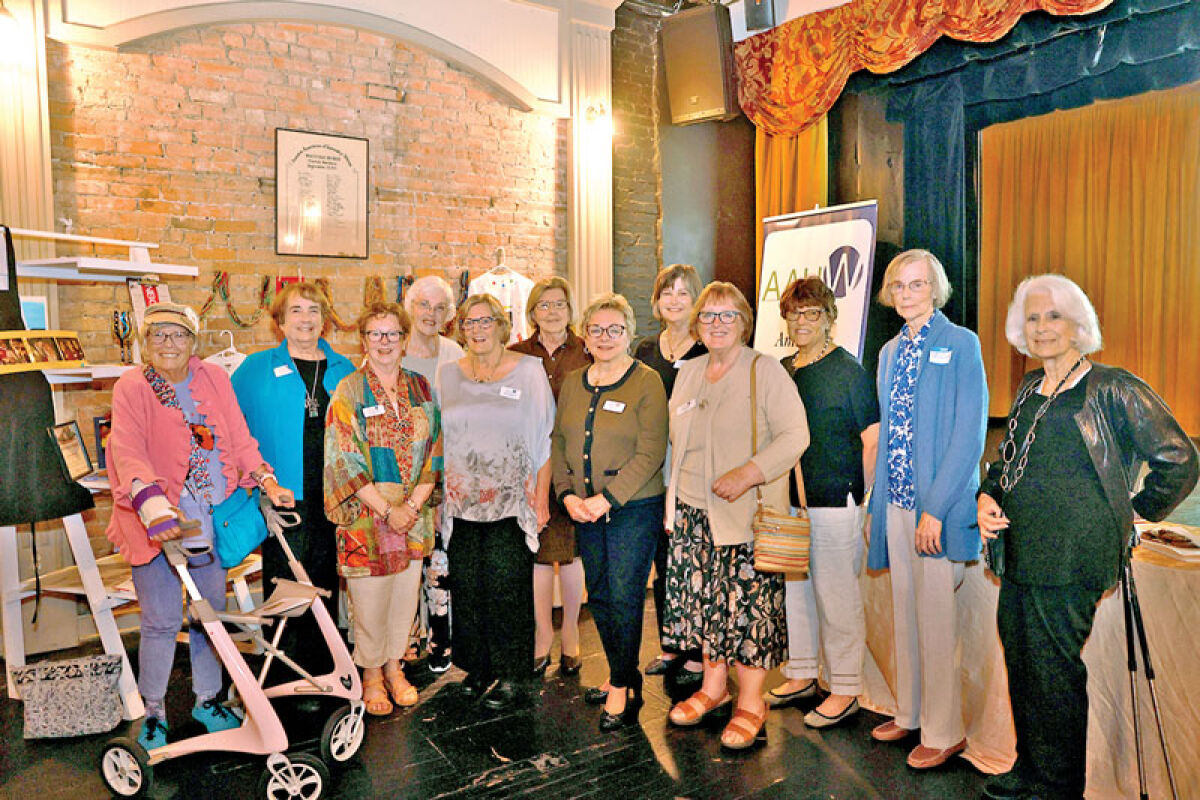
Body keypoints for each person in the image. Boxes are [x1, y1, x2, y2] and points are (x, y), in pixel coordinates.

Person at [977, 274, 1198, 800]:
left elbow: (1181, 459)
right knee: (1023, 662)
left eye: (1054, 316)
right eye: (1032, 318)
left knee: (1053, 675)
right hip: (1021, 551)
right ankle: (1028, 768)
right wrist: (986, 497)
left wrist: (1131, 514)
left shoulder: (1112, 388)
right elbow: (1008, 461)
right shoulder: (1031, 387)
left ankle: (1057, 785)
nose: (1042, 327)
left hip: (1073, 557)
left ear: (1079, 325)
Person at [106, 302, 294, 750]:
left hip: (210, 516)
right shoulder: (132, 386)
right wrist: (156, 509)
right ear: (145, 343)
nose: (169, 344)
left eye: (178, 335)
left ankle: (206, 701)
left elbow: (240, 437)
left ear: (193, 342)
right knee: (158, 621)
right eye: (158, 335)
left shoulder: (212, 377)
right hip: (157, 517)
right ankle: (153, 712)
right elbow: (127, 452)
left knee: (208, 616)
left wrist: (267, 480)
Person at [662, 282, 809, 750]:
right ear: (697, 324)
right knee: (706, 608)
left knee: (747, 609)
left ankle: (750, 702)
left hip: (744, 514)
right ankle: (712, 688)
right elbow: (675, 444)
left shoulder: (763, 371)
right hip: (691, 513)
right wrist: (672, 505)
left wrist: (748, 473)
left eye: (728, 316)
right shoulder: (688, 373)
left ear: (744, 323)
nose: (717, 324)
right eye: (708, 316)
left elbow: (795, 436)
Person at [866, 249, 987, 769]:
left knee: (936, 621)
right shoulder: (890, 351)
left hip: (935, 507)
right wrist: (879, 505)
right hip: (894, 501)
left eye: (918, 285)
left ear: (935, 290)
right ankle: (910, 711)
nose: (908, 293)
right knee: (905, 614)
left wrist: (935, 509)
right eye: (900, 286)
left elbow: (969, 434)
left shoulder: (961, 344)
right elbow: (888, 431)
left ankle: (944, 729)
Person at [766, 277, 879, 728]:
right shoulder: (783, 368)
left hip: (836, 500)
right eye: (794, 314)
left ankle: (846, 687)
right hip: (790, 500)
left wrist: (862, 498)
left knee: (837, 597)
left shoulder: (849, 372)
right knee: (796, 593)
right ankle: (802, 672)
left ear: (830, 318)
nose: (802, 322)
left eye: (812, 313)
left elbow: (871, 441)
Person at [552, 294, 667, 730]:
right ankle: (625, 673)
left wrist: (608, 499)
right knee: (597, 593)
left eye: (614, 329)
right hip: (583, 509)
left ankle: (621, 685)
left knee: (624, 595)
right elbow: (560, 442)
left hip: (632, 508)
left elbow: (652, 450)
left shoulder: (647, 381)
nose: (605, 337)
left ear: (629, 334)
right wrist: (567, 496)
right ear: (584, 335)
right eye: (596, 329)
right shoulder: (574, 381)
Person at [437, 293, 555, 711]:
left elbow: (544, 437)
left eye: (486, 322)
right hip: (461, 500)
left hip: (511, 500)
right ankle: (477, 667)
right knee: (468, 587)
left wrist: (541, 499)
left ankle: (511, 671)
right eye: (469, 323)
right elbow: (440, 436)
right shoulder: (448, 375)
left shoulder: (529, 371)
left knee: (507, 587)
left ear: (502, 326)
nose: (477, 330)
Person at [231, 282, 354, 681]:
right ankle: (284, 674)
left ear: (325, 319)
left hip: (335, 497)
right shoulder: (255, 369)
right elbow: (234, 432)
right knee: (286, 586)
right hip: (285, 498)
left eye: (314, 310)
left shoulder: (345, 369)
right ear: (280, 322)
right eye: (296, 311)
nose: (306, 319)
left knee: (326, 582)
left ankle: (325, 669)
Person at [324, 302, 441, 716]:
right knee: (369, 600)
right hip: (366, 518)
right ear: (364, 340)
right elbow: (344, 460)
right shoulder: (349, 390)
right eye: (376, 334)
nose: (385, 342)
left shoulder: (422, 388)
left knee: (405, 597)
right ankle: (371, 674)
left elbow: (435, 452)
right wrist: (387, 509)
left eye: (392, 334)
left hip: (413, 516)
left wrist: (410, 506)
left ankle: (395, 668)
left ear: (405, 339)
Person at [509, 276, 591, 676]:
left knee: (571, 552)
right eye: (544, 305)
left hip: (575, 463)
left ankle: (572, 633)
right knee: (539, 553)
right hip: (529, 464)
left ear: (570, 310)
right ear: (532, 312)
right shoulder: (516, 354)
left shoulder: (589, 349)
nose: (552, 312)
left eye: (559, 304)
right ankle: (543, 635)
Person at [633, 263, 707, 686]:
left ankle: (698, 653)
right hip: (652, 467)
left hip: (694, 465)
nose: (675, 300)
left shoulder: (707, 346)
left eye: (683, 292)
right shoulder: (645, 349)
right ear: (657, 301)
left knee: (691, 560)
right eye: (668, 293)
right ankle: (669, 644)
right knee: (662, 560)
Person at [401, 275, 465, 674]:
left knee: (440, 563)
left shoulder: (456, 353)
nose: (431, 314)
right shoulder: (392, 350)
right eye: (424, 305)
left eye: (440, 308)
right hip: (402, 478)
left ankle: (441, 641)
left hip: (446, 474)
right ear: (409, 307)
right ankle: (403, 643)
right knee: (405, 562)